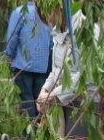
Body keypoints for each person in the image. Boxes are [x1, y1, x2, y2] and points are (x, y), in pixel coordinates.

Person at [36, 7, 100, 139]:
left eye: (46, 11)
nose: (46, 18)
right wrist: (45, 90)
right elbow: (56, 70)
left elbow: (86, 74)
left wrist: (54, 94)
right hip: (60, 103)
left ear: (60, 8)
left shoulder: (87, 29)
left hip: (83, 103)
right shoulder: (57, 32)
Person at [4, 0, 51, 120]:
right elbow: (51, 38)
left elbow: (13, 36)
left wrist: (8, 54)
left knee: (26, 101)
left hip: (22, 65)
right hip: (42, 66)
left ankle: (29, 134)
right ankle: (41, 131)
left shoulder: (19, 12)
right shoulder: (44, 12)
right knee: (40, 101)